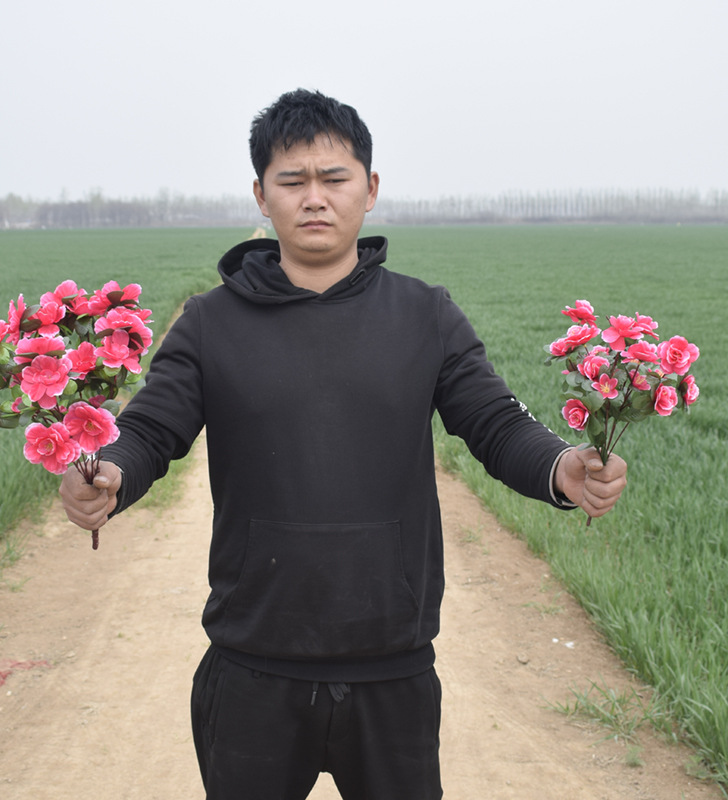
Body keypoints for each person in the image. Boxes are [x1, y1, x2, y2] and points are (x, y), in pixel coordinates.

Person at [60, 88, 627, 800]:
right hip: (252, 665)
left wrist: (560, 467)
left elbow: (496, 422)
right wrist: (108, 471)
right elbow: (150, 428)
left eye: (334, 178)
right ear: (261, 197)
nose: (314, 198)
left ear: (371, 188)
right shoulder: (210, 323)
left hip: (392, 663)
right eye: (291, 180)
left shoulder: (426, 314)